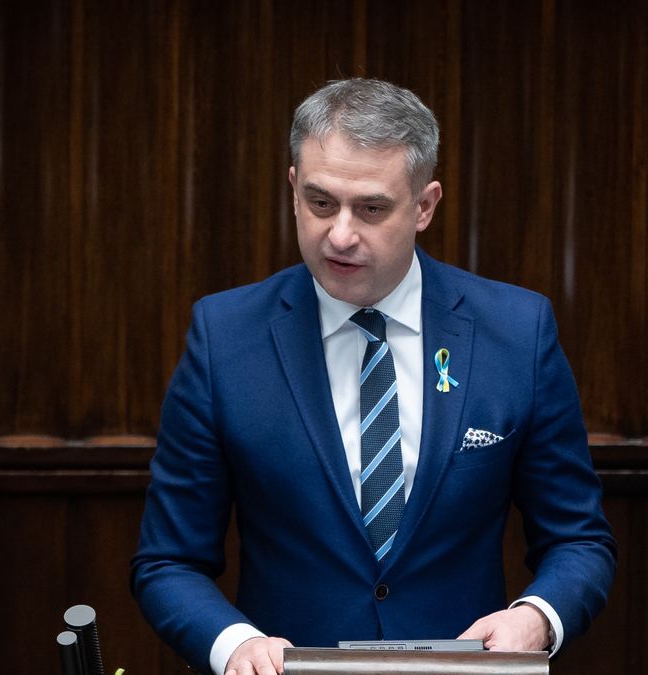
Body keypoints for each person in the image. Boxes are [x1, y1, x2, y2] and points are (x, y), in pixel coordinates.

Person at [130, 78, 616, 675]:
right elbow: (168, 561)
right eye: (320, 202)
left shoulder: (516, 332)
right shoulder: (224, 337)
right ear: (292, 190)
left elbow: (579, 539)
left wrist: (537, 616)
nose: (339, 233)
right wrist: (234, 644)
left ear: (425, 206)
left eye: (372, 208)